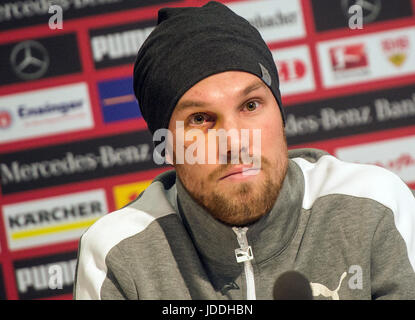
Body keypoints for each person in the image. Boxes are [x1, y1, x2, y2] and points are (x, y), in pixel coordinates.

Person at [73, 1, 415, 300]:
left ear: (280, 116)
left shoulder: (373, 207)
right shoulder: (118, 254)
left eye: (251, 105)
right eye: (201, 118)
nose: (235, 143)